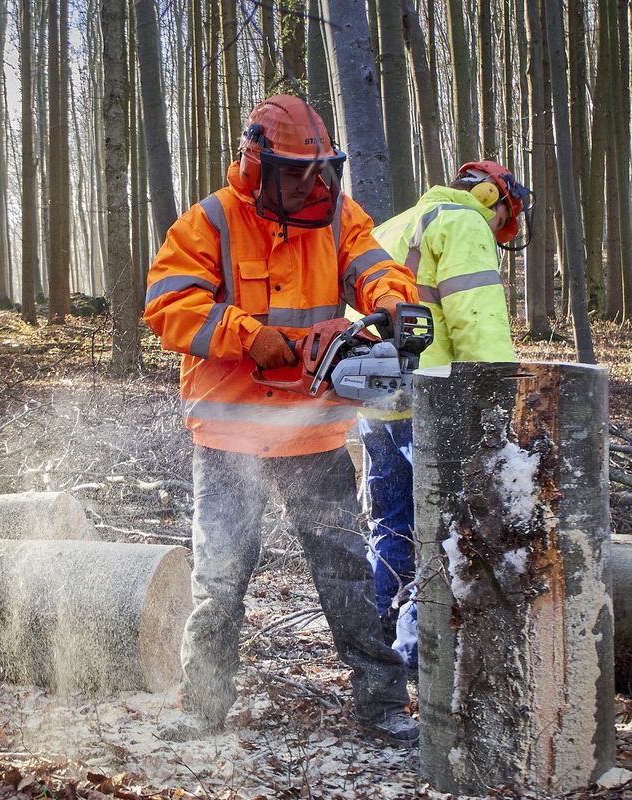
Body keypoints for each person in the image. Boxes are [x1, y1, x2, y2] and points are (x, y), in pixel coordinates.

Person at [142, 95, 421, 744]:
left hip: (313, 434)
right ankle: (203, 707)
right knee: (220, 580)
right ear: (258, 163)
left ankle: (381, 704)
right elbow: (166, 304)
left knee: (346, 570)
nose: (309, 183)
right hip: (230, 439)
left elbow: (380, 270)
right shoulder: (210, 221)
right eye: (296, 171)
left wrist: (384, 312)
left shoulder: (338, 219)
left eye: (318, 170)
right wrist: (247, 335)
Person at [358, 161, 533, 668]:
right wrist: (498, 402)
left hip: (375, 399)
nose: (497, 228)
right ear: (489, 198)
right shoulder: (463, 222)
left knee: (390, 522)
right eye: (501, 216)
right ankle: (418, 653)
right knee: (444, 525)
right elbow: (477, 321)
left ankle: (379, 639)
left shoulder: (393, 225)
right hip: (433, 400)